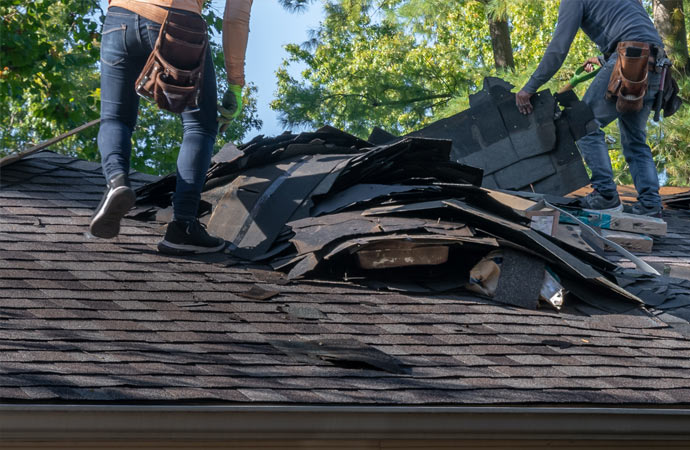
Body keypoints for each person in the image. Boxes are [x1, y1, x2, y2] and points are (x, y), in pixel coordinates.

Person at [89, 0, 254, 253]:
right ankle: (183, 226)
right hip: (178, 20)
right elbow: (235, 18)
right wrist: (235, 84)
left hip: (118, 17)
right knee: (200, 125)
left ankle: (116, 182)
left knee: (115, 118)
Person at [516, 0, 665, 217]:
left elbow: (558, 48)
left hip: (629, 59)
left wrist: (529, 88)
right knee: (635, 140)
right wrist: (605, 58)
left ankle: (605, 195)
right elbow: (637, 31)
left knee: (583, 123)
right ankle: (651, 204)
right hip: (656, 65)